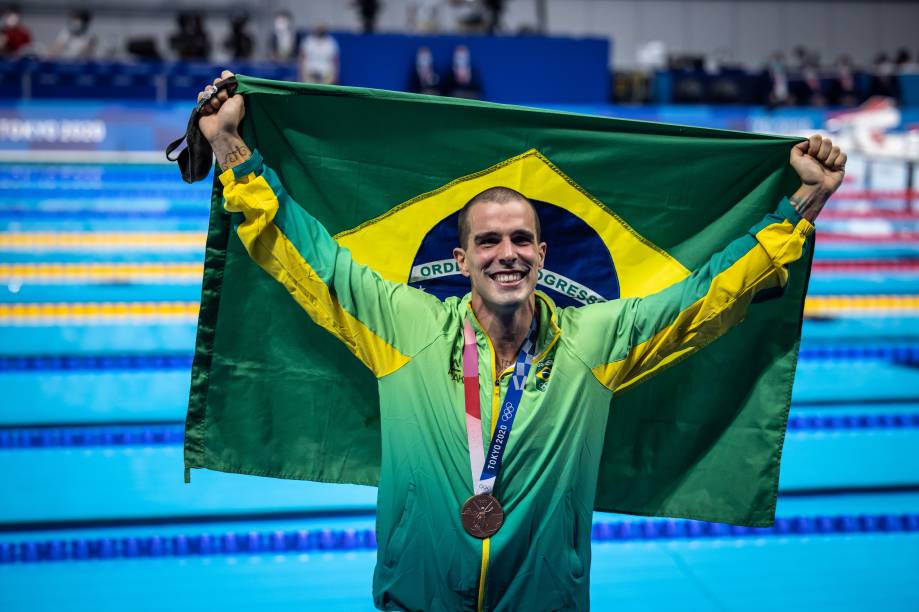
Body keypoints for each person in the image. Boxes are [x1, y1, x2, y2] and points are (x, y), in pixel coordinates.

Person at [196, 70, 846, 611]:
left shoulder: (594, 340)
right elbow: (305, 259)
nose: (504, 254)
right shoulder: (407, 326)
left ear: (540, 253)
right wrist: (229, 148)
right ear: (460, 259)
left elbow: (708, 297)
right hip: (417, 599)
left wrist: (802, 204)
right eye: (487, 240)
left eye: (518, 240)